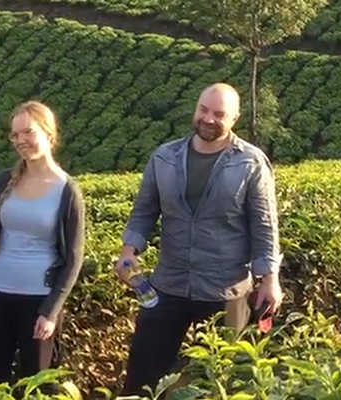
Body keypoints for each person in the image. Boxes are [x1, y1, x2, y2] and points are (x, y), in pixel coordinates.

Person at [115, 83, 283, 396]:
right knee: (143, 377)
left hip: (226, 289)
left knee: (224, 380)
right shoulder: (164, 157)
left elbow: (264, 225)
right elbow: (144, 212)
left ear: (235, 118)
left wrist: (270, 279)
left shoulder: (250, 163)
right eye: (204, 110)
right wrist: (129, 251)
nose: (208, 119)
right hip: (168, 285)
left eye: (219, 114)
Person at [0, 101, 86, 384]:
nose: (20, 141)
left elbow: (74, 259)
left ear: (49, 134)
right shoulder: (5, 181)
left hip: (38, 301)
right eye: (15, 135)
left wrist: (51, 312)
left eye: (27, 132)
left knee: (37, 384)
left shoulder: (67, 190)